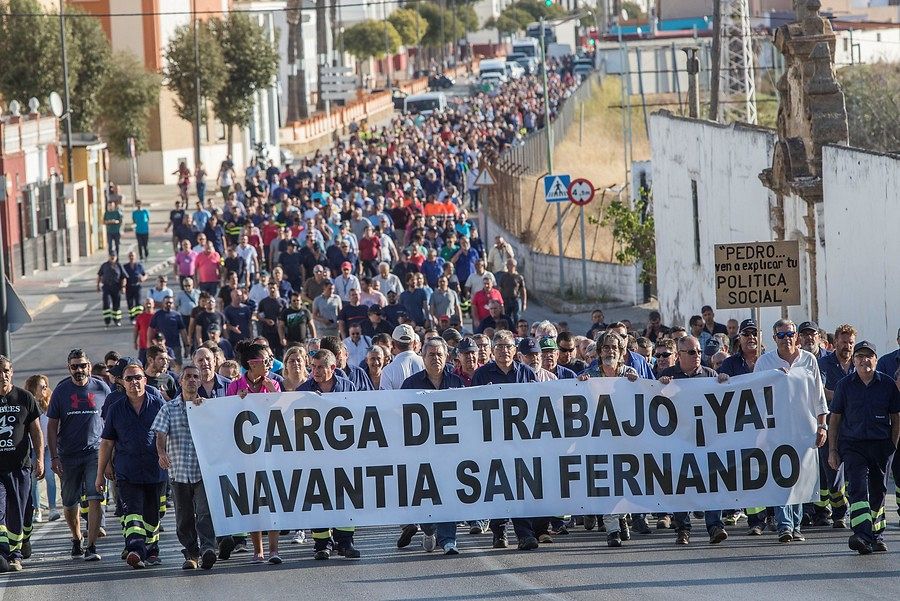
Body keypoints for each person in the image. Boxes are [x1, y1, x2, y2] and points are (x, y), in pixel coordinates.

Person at [753, 319, 828, 544]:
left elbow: (818, 396)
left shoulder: (808, 360)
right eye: (781, 335)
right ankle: (784, 525)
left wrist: (822, 425)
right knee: (781, 478)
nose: (787, 338)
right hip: (776, 431)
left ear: (796, 336)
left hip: (804, 429)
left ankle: (796, 525)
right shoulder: (764, 362)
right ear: (774, 338)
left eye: (790, 334)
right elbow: (752, 394)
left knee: (800, 479)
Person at [470, 330, 542, 551]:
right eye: (499, 346)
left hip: (521, 441)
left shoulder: (527, 373)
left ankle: (525, 533)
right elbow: (472, 406)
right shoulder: (482, 375)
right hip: (492, 441)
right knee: (497, 486)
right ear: (492, 350)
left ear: (515, 349)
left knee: (521, 486)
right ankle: (499, 531)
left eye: (508, 346)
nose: (504, 350)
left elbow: (539, 404)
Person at [828, 340, 900, 555]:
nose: (864, 360)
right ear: (854, 360)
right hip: (853, 445)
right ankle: (861, 534)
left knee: (878, 491)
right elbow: (835, 420)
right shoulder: (845, 385)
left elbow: (896, 418)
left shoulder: (887, 385)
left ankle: (876, 535)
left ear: (876, 360)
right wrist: (833, 450)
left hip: (880, 446)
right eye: (859, 356)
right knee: (857, 487)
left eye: (868, 356)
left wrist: (892, 446)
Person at [658, 335, 731, 546]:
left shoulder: (710, 375)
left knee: (711, 481)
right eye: (691, 352)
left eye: (699, 351)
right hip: (678, 441)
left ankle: (715, 526)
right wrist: (660, 387)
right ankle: (682, 528)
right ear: (679, 355)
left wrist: (726, 384)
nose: (697, 355)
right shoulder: (668, 375)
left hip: (706, 440)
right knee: (680, 484)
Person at [96, 361, 167, 569]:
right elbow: (107, 442)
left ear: (145, 380)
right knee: (132, 512)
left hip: (155, 469)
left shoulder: (158, 404)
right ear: (122, 383)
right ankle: (135, 549)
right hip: (127, 470)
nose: (134, 382)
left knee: (152, 515)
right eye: (129, 378)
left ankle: (152, 551)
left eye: (138, 377)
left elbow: (169, 434)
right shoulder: (116, 408)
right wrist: (101, 473)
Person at [399, 338, 466, 555]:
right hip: (421, 453)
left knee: (448, 493)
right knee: (426, 497)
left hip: (449, 452)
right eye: (431, 355)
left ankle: (448, 540)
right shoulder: (410, 385)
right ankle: (428, 529)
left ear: (446, 357)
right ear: (423, 358)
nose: (435, 358)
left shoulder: (457, 383)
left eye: (439, 354)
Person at [152, 366, 221, 570]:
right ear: (180, 381)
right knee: (183, 517)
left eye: (195, 377)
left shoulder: (207, 406)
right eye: (187, 377)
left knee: (204, 512)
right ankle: (191, 553)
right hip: (179, 470)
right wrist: (162, 453)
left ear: (200, 382)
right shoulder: (168, 408)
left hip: (202, 471)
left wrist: (204, 411)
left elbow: (219, 433)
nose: (191, 380)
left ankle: (208, 548)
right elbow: (160, 434)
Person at [47, 349, 110, 561]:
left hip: (94, 452)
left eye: (82, 365)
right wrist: (54, 457)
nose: (79, 370)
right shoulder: (61, 391)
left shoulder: (102, 387)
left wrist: (110, 456)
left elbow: (111, 422)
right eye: (74, 366)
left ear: (89, 366)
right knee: (69, 502)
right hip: (68, 455)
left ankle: (91, 546)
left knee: (95, 498)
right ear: (69, 368)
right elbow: (52, 426)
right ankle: (76, 538)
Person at [577, 332, 639, 544]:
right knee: (606, 482)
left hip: (626, 440)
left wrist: (637, 384)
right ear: (600, 351)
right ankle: (612, 529)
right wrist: (579, 385)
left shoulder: (630, 374)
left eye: (614, 347)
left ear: (621, 352)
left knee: (624, 483)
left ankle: (621, 517)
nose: (610, 351)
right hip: (599, 439)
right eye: (606, 347)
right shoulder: (589, 374)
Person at [298, 349, 360, 560]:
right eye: (312, 366)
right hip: (314, 456)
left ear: (333, 368)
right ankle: (322, 543)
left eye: (320, 367)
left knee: (346, 497)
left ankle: (345, 542)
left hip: (343, 456)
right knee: (318, 498)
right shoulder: (304, 390)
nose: (314, 371)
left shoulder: (347, 388)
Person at [0, 355, 44, 573]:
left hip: (19, 466)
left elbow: (36, 431)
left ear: (12, 372)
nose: (3, 375)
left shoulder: (24, 398)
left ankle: (15, 554)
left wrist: (40, 458)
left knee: (17, 511)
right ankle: (2, 551)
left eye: (6, 370)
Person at [812, 323, 857, 527]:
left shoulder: (859, 363)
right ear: (835, 342)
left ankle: (847, 513)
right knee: (833, 475)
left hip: (856, 429)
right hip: (832, 428)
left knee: (856, 474)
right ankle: (839, 507)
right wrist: (848, 396)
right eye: (843, 342)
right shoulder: (824, 364)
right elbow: (821, 390)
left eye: (850, 343)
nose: (847, 346)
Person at [24, 376, 57, 526]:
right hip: (32, 447)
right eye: (41, 386)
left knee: (50, 476)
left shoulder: (49, 404)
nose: (44, 389)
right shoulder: (27, 403)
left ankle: (52, 508)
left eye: (45, 386)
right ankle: (37, 509)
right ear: (33, 388)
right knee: (34, 478)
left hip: (48, 446)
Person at [379, 325, 424, 390]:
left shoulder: (388, 371)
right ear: (414, 343)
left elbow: (386, 398)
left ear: (393, 345)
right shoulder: (426, 364)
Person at [148, 296, 190, 368]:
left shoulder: (177, 315)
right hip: (161, 347)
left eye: (170, 303)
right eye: (167, 302)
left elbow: (183, 331)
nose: (169, 304)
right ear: (163, 303)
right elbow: (151, 329)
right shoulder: (157, 315)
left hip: (175, 346)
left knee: (177, 366)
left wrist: (186, 345)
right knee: (161, 366)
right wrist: (149, 343)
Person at [97, 252, 127, 327]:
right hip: (106, 287)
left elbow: (123, 277)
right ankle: (107, 320)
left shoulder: (119, 265)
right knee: (106, 303)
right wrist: (97, 286)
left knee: (116, 305)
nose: (112, 257)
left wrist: (123, 287)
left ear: (116, 257)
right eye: (111, 256)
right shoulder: (104, 265)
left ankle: (117, 320)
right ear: (109, 257)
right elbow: (99, 275)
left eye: (114, 256)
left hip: (116, 287)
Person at [497, 258, 527, 324]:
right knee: (507, 318)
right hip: (506, 300)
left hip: (516, 300)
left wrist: (524, 303)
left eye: (510, 265)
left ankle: (517, 331)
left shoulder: (519, 277)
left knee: (517, 317)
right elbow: (500, 289)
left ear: (514, 266)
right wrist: (499, 301)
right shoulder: (503, 276)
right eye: (507, 265)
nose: (508, 266)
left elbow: (523, 290)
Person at [123, 251, 147, 323]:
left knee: (138, 303)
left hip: (137, 286)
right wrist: (123, 286)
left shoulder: (139, 266)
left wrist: (143, 278)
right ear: (128, 257)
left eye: (133, 256)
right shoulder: (125, 266)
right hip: (129, 287)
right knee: (130, 303)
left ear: (135, 257)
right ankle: (132, 317)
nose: (131, 257)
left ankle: (139, 317)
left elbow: (145, 274)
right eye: (130, 256)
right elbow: (122, 277)